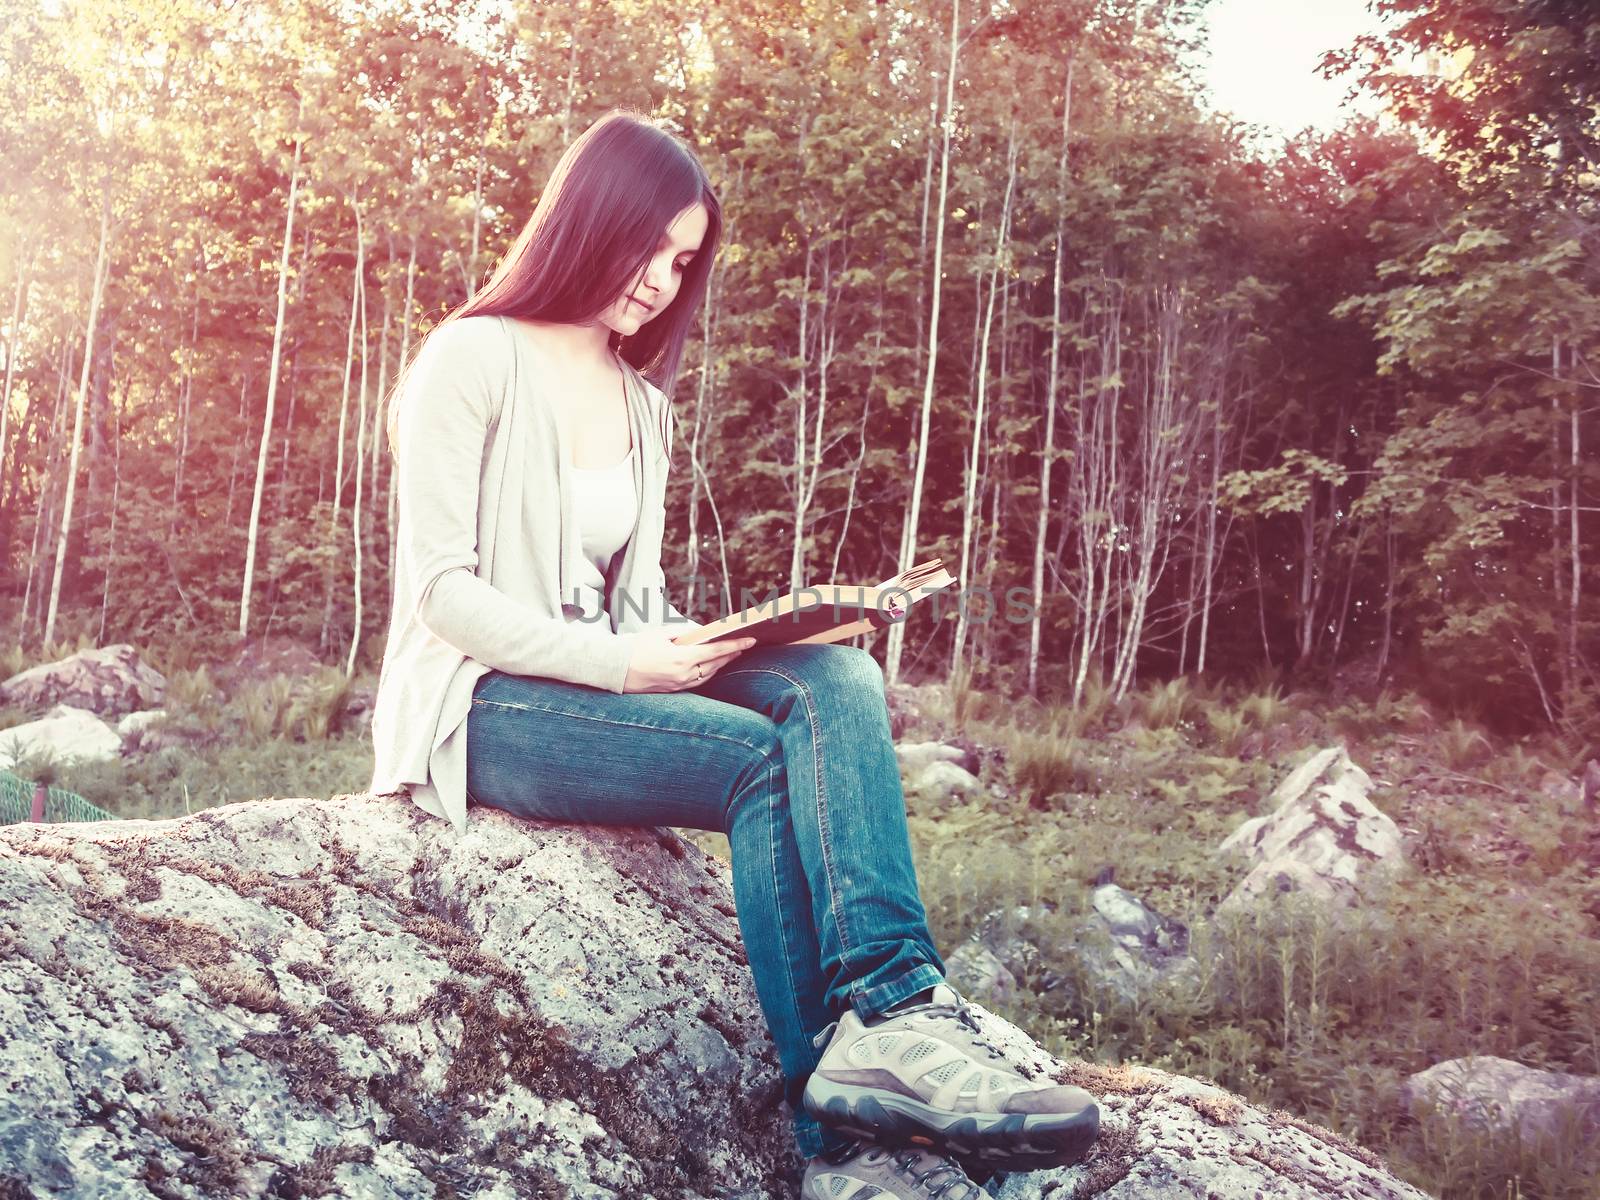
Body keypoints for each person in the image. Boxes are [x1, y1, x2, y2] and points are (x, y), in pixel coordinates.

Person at [369, 109, 1099, 1199]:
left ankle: (896, 1011)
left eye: (684, 261)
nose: (663, 281)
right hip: (481, 707)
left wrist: (731, 641)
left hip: (598, 679)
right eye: (650, 245)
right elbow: (441, 596)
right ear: (588, 219)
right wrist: (625, 666)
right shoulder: (469, 356)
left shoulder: (641, 407)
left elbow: (638, 600)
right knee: (752, 761)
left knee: (839, 676)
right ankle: (839, 1147)